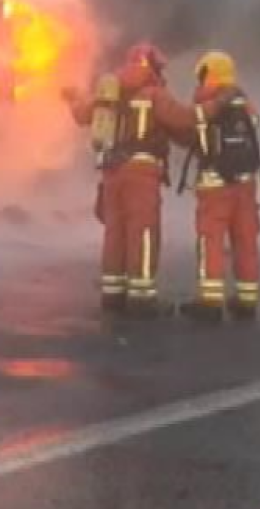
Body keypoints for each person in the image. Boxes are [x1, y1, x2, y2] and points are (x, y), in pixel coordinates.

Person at [65, 43, 205, 316]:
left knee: (115, 232)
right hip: (141, 173)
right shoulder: (154, 94)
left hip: (111, 173)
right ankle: (141, 298)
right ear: (150, 66)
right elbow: (182, 120)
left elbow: (81, 114)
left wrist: (72, 98)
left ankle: (113, 295)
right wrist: (211, 109)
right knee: (143, 232)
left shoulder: (109, 92)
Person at [183, 51, 260, 319]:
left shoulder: (207, 104)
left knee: (211, 240)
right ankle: (247, 298)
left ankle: (209, 303)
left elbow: (189, 125)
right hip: (245, 183)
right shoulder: (244, 104)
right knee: (245, 239)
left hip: (215, 184)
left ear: (208, 73)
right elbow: (256, 124)